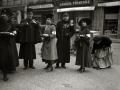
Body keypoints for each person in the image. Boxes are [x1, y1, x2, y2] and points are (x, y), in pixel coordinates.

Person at [0, 8, 19, 81]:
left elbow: (15, 34)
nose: (3, 15)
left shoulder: (11, 24)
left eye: (4, 14)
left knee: (5, 59)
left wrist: (10, 34)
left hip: (7, 44)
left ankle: (5, 74)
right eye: (2, 14)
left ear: (8, 15)